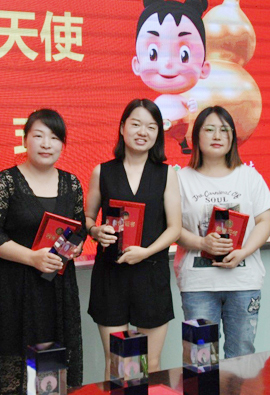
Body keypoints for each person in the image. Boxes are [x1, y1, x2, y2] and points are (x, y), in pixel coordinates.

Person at [0, 109, 85, 395]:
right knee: (15, 374)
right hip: (15, 289)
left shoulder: (72, 184)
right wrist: (32, 258)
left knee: (53, 376)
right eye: (38, 136)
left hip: (57, 291)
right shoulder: (6, 182)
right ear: (25, 140)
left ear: (62, 144)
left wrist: (76, 247)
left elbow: (79, 230)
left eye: (54, 137)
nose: (46, 144)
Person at [86, 98, 182, 379]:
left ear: (158, 133)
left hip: (151, 275)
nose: (143, 132)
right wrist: (95, 231)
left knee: (149, 364)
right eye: (136, 124)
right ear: (122, 127)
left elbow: (175, 228)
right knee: (117, 362)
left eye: (151, 127)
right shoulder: (102, 171)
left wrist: (146, 252)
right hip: (111, 275)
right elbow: (87, 219)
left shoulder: (166, 174)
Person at [175, 106, 270, 358]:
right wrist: (202, 243)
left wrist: (244, 251)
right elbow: (173, 229)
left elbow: (265, 221)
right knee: (199, 358)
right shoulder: (180, 179)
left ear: (233, 137)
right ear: (196, 136)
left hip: (244, 282)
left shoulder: (249, 176)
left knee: (241, 356)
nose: (217, 136)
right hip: (198, 285)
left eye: (224, 130)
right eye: (209, 129)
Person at [132, 0, 210, 152]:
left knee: (181, 134)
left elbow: (191, 108)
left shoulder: (183, 99)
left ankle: (183, 145)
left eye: (184, 55)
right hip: (160, 125)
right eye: (153, 53)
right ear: (136, 64)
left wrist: (192, 106)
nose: (167, 63)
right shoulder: (153, 103)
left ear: (204, 68)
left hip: (181, 123)